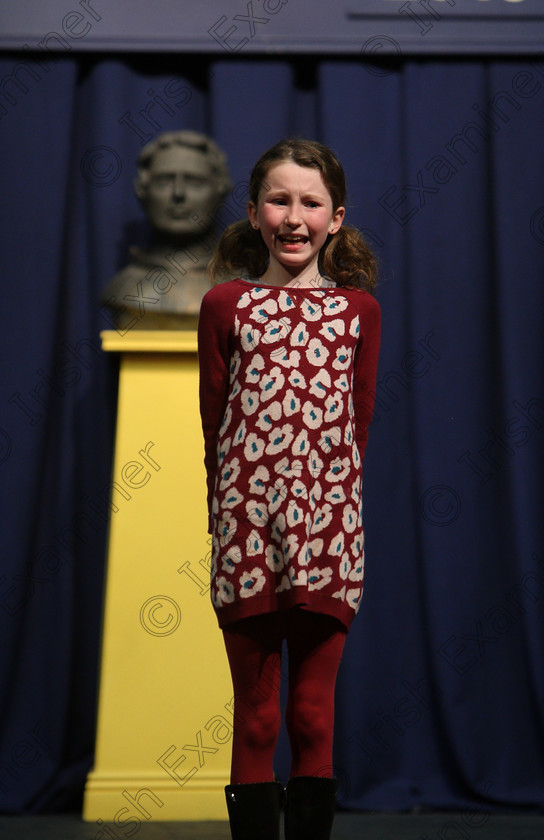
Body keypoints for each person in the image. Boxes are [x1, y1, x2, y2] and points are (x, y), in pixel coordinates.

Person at [197, 138, 381, 840]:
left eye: (312, 202)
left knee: (310, 713)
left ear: (337, 218)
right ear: (253, 213)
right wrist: (228, 519)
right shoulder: (225, 305)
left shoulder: (359, 314)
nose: (295, 216)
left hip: (329, 539)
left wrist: (329, 509)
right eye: (280, 200)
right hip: (247, 537)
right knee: (258, 713)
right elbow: (213, 424)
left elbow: (356, 428)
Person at [101, 130, 232, 330]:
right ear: (142, 190)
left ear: (220, 191)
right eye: (164, 181)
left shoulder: (238, 288)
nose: (178, 193)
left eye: (194, 182)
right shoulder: (124, 287)